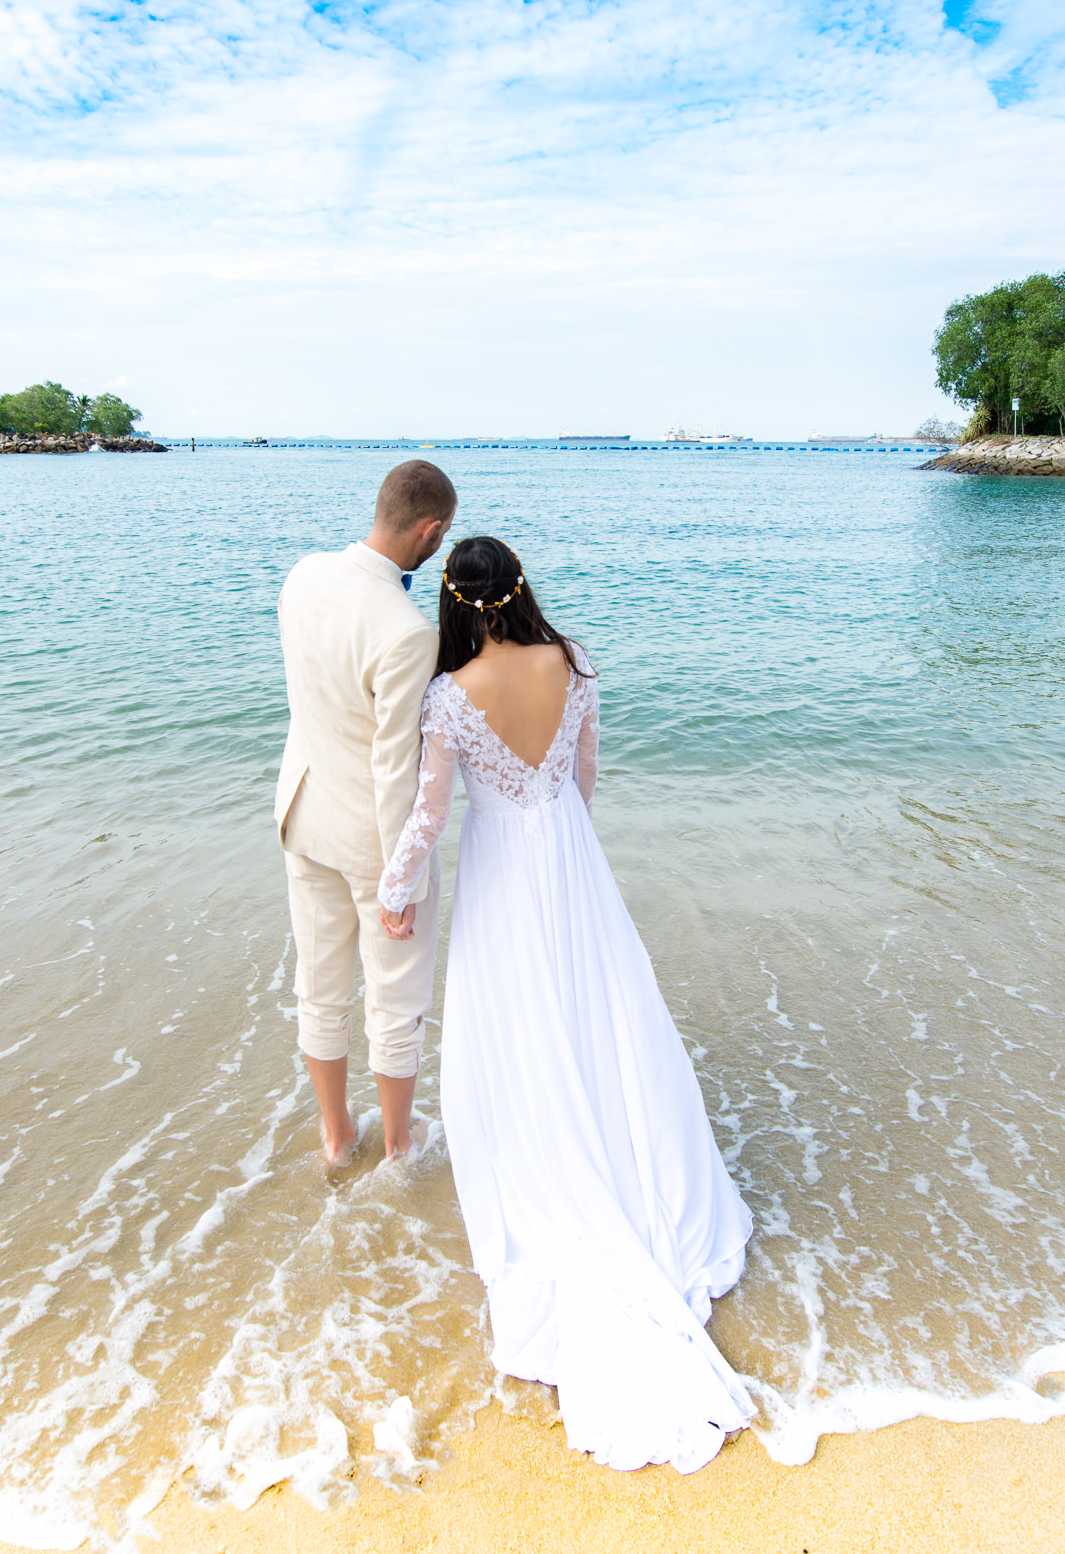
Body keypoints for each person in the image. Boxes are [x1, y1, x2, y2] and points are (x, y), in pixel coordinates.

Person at [375, 535, 755, 1473]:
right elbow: (585, 778)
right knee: (605, 1015)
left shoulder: (449, 698)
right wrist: (568, 846)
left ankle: (555, 1165)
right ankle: (634, 1167)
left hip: (505, 868)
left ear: (458, 606)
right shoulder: (577, 663)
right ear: (521, 590)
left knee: (519, 1030)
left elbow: (429, 815)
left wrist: (395, 891)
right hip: (570, 858)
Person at [275, 460, 457, 1165]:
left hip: (301, 812)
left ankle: (335, 1137)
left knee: (318, 991)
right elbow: (393, 768)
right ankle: (399, 1147)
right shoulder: (407, 629)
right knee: (394, 1000)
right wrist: (400, 881)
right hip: (366, 839)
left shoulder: (304, 575)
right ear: (430, 529)